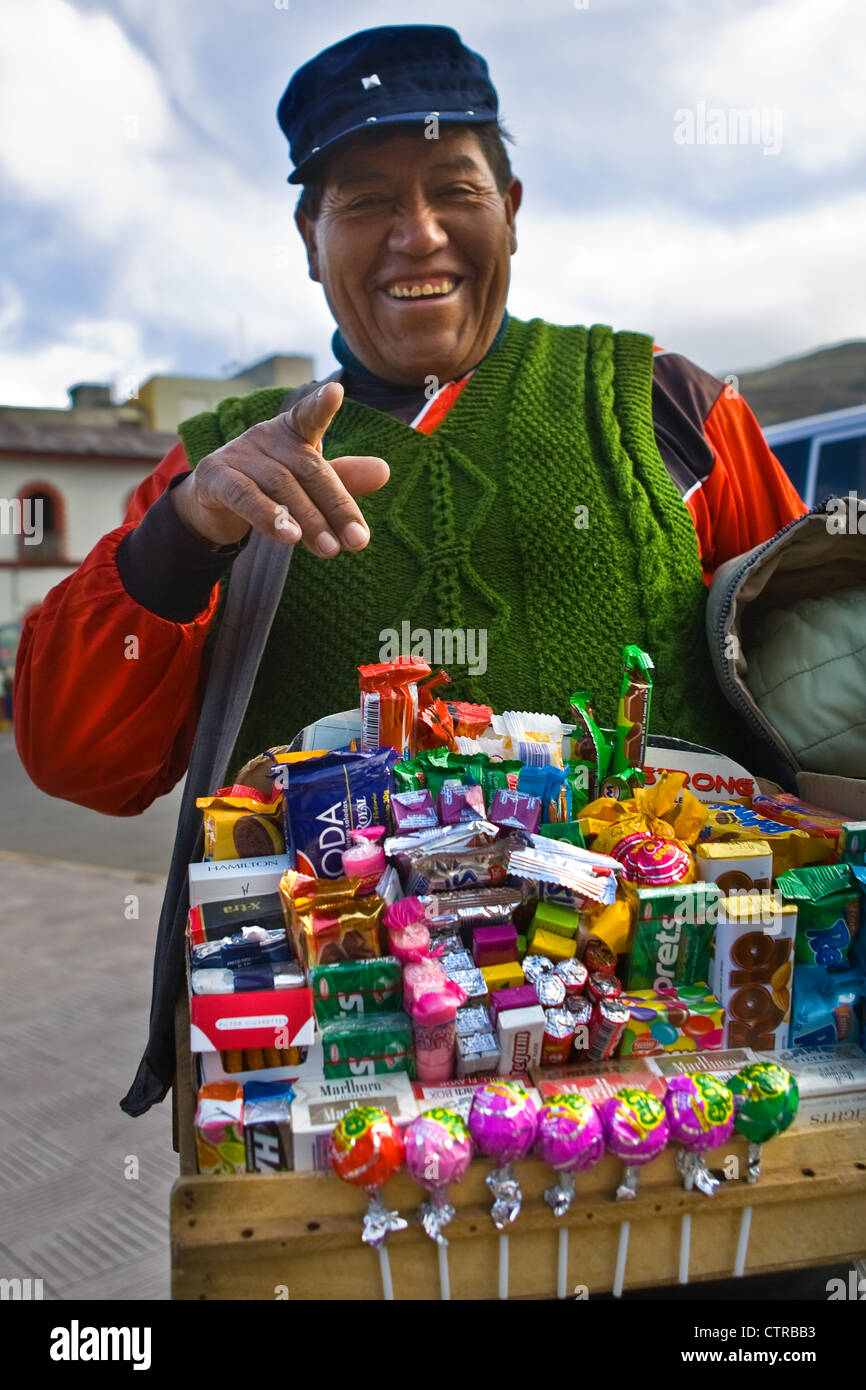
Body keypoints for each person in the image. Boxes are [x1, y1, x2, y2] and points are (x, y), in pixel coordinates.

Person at [14, 25, 805, 1111]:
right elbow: (76, 758)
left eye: (452, 188)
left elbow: (818, 689)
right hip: (345, 1111)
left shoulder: (664, 408)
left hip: (683, 1092)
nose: (416, 233)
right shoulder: (223, 463)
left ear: (512, 208)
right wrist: (182, 533)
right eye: (366, 200)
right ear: (309, 235)